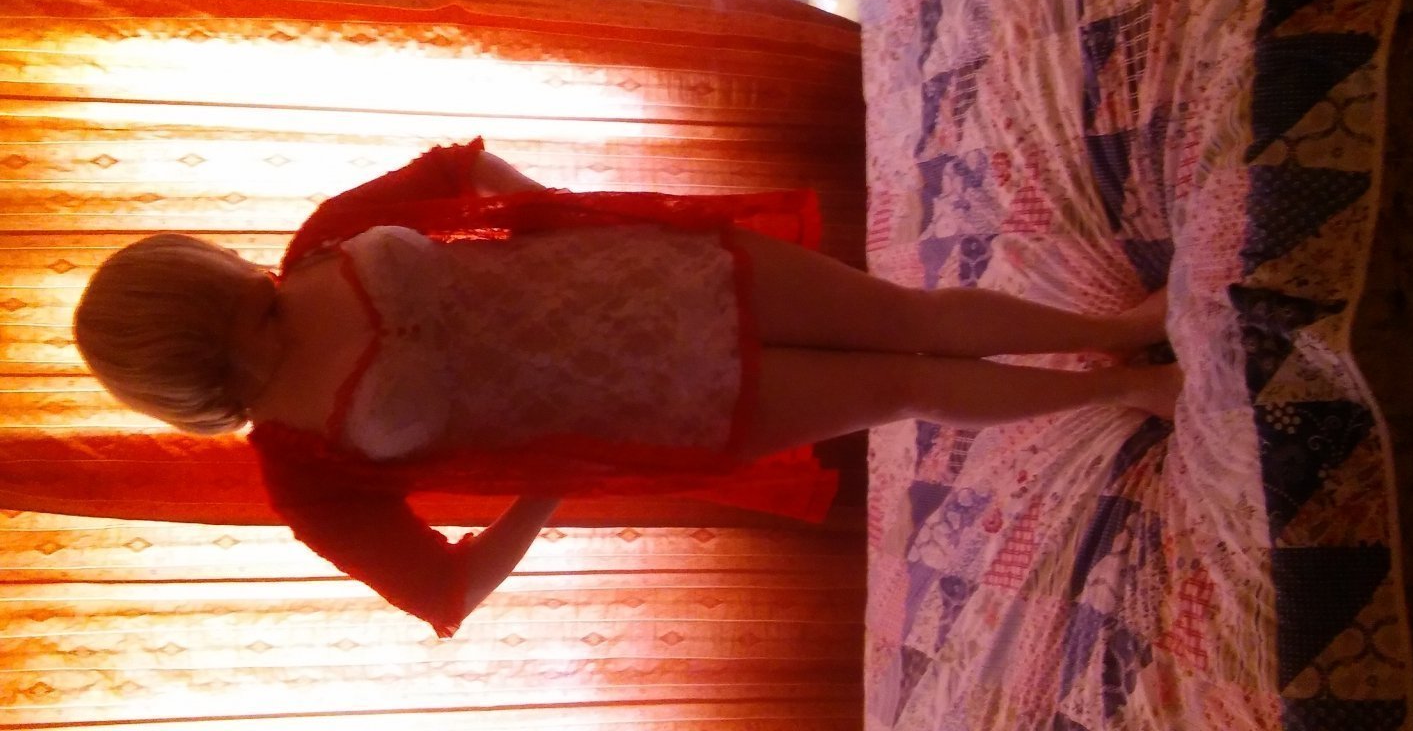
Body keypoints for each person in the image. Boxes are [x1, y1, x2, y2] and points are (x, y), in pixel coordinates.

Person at [72, 139, 1180, 637]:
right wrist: (548, 489)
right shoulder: (305, 476)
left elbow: (462, 166)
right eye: (239, 325)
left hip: (662, 275)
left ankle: (1118, 332)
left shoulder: (319, 242)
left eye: (244, 292)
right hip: (669, 407)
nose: (264, 300)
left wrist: (568, 222)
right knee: (902, 385)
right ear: (195, 375)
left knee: (910, 321)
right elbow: (446, 592)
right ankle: (1122, 396)